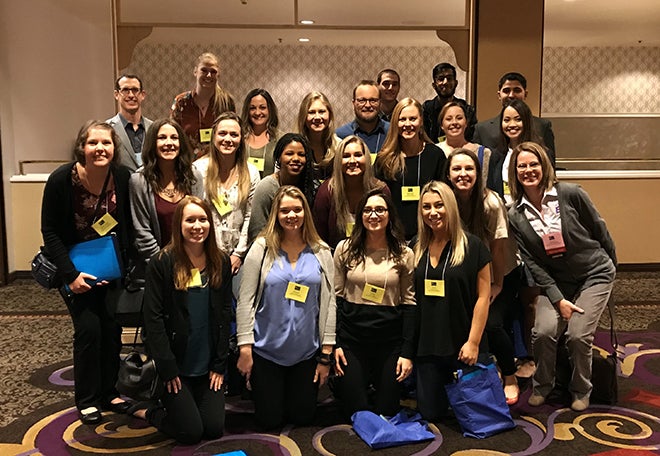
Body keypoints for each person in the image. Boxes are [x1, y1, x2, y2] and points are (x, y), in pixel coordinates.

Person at [507, 142, 616, 412]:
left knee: (578, 336)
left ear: (544, 166)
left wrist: (611, 265)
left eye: (534, 164)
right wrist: (557, 298)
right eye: (522, 166)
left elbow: (599, 229)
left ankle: (581, 389)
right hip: (556, 282)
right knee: (542, 332)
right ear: (515, 171)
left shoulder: (570, 193)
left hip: (594, 274)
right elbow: (531, 261)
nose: (528, 170)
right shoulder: (515, 214)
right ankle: (543, 385)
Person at [41, 120, 134, 424]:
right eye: (93, 143)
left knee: (111, 329)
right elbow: (50, 231)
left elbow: (127, 225)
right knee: (89, 329)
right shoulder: (61, 180)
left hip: (110, 269)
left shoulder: (121, 176)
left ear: (114, 147)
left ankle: (109, 391)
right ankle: (87, 398)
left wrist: (124, 268)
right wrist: (70, 276)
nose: (99, 148)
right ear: (82, 147)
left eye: (106, 143)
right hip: (74, 270)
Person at [132, 196, 232, 444]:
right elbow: (153, 319)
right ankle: (151, 412)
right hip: (176, 366)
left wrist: (220, 364)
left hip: (208, 364)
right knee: (191, 433)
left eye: (203, 219)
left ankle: (191, 403)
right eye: (190, 220)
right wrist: (167, 368)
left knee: (213, 428)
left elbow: (224, 312)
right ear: (179, 224)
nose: (197, 226)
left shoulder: (221, 261)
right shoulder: (162, 262)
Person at [236, 185, 336, 429]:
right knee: (269, 420)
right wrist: (245, 348)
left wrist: (325, 355)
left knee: (303, 418)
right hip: (266, 351)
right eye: (285, 211)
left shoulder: (321, 251)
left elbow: (330, 301)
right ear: (276, 215)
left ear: (306, 213)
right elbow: (245, 299)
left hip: (305, 353)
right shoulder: (261, 249)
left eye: (297, 210)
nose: (292, 216)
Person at [444, 149, 520, 404]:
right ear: (448, 174)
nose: (463, 174)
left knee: (492, 322)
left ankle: (510, 374)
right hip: (469, 275)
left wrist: (497, 284)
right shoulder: (447, 201)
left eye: (469, 169)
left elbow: (498, 248)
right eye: (457, 169)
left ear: (478, 173)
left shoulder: (490, 202)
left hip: (500, 272)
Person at [413, 181, 492, 421]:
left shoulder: (473, 246)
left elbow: (483, 296)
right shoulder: (416, 248)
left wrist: (473, 342)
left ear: (451, 207)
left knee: (474, 416)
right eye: (426, 207)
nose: (433, 212)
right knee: (430, 415)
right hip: (428, 347)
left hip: (462, 344)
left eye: (439, 205)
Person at [333, 189, 415, 419]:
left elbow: (410, 303)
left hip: (389, 342)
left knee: (387, 410)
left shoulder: (404, 253)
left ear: (390, 215)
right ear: (360, 215)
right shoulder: (344, 249)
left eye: (380, 210)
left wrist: (407, 353)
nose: (374, 215)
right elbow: (336, 298)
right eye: (368, 210)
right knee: (356, 411)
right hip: (353, 339)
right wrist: (336, 344)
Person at [129, 119, 204, 268]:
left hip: (192, 263)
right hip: (157, 265)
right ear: (152, 143)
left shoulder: (194, 176)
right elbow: (142, 232)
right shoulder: (139, 181)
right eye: (162, 138)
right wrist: (165, 266)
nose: (169, 143)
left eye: (174, 138)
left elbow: (200, 221)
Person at [193, 112, 261, 276]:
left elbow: (249, 217)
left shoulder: (251, 173)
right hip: (202, 254)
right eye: (222, 133)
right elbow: (192, 215)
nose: (228, 139)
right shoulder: (198, 170)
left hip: (237, 257)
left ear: (241, 139)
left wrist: (238, 254)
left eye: (234, 134)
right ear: (214, 136)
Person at [374, 98, 445, 241]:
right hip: (392, 237)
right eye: (402, 120)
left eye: (412, 119)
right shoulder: (385, 159)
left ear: (421, 121)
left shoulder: (435, 155)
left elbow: (444, 198)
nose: (407, 124)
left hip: (428, 236)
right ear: (395, 123)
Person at [313, 135, 389, 249]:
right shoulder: (326, 192)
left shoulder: (381, 190)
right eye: (346, 156)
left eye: (358, 155)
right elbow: (319, 239)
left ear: (367, 158)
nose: (352, 161)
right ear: (339, 160)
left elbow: (389, 231)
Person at [473, 72, 556, 164]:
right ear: (499, 95)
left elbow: (550, 166)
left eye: (517, 90)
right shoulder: (482, 130)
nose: (511, 95)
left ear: (525, 94)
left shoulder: (542, 126)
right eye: (506, 91)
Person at [247, 133, 316, 243]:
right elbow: (256, 231)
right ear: (279, 158)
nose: (296, 158)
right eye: (289, 153)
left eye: (301, 154)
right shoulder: (267, 187)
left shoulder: (310, 186)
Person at [170, 52, 236, 158]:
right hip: (187, 165)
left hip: (218, 164)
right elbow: (173, 134)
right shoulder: (181, 102)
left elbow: (233, 133)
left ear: (218, 75)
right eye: (204, 70)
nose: (208, 75)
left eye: (213, 72)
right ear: (195, 72)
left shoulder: (226, 102)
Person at [487, 99, 545, 206]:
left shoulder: (540, 153)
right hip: (504, 214)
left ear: (526, 122)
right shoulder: (496, 155)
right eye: (507, 120)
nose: (512, 124)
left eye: (518, 119)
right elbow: (491, 190)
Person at [106, 74, 153, 171]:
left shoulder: (154, 128)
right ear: (116, 94)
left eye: (135, 90)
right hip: (120, 185)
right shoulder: (107, 129)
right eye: (125, 90)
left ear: (142, 95)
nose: (131, 95)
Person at [436, 101, 491, 182]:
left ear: (466, 123)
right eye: (448, 119)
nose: (454, 122)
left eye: (459, 118)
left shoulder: (483, 153)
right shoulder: (433, 152)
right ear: (442, 125)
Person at [422, 63, 476, 143]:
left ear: (456, 83)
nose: (445, 82)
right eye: (441, 79)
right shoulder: (426, 109)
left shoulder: (467, 109)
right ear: (434, 85)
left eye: (449, 78)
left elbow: (471, 138)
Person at [296, 91, 339, 186]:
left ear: (329, 115)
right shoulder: (295, 147)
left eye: (322, 112)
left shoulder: (339, 147)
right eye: (311, 112)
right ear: (303, 117)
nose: (317, 117)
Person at [335, 80, 390, 155]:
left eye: (373, 100)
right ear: (353, 103)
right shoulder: (340, 136)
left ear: (380, 103)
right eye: (362, 100)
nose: (367, 105)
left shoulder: (392, 132)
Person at [241, 88, 280, 177]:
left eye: (262, 107)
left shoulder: (280, 139)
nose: (257, 112)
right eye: (252, 108)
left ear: (270, 110)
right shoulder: (239, 138)